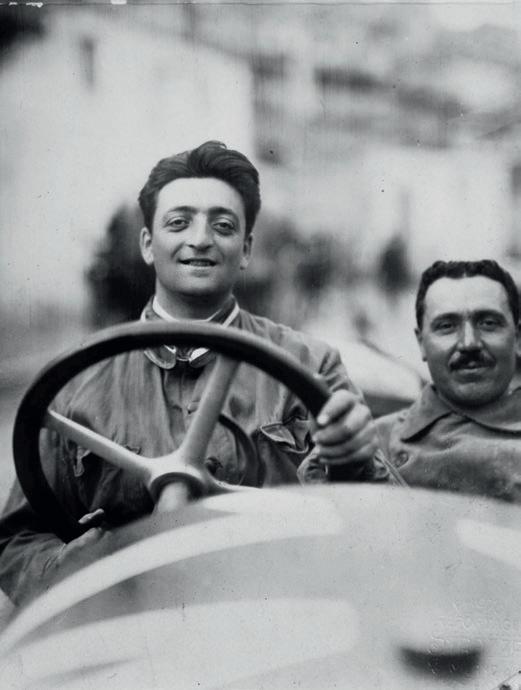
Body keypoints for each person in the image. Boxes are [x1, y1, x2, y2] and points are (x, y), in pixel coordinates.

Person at [0, 141, 388, 605]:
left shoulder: (312, 365)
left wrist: (353, 460)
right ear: (148, 245)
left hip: (274, 611)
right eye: (178, 222)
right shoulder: (76, 382)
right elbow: (18, 540)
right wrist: (70, 571)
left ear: (246, 250)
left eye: (222, 226)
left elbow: (379, 521)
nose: (201, 239)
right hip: (126, 620)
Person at [375, 259, 521, 501]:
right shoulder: (375, 441)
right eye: (446, 326)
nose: (469, 343)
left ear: (517, 338)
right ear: (421, 343)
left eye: (488, 323)